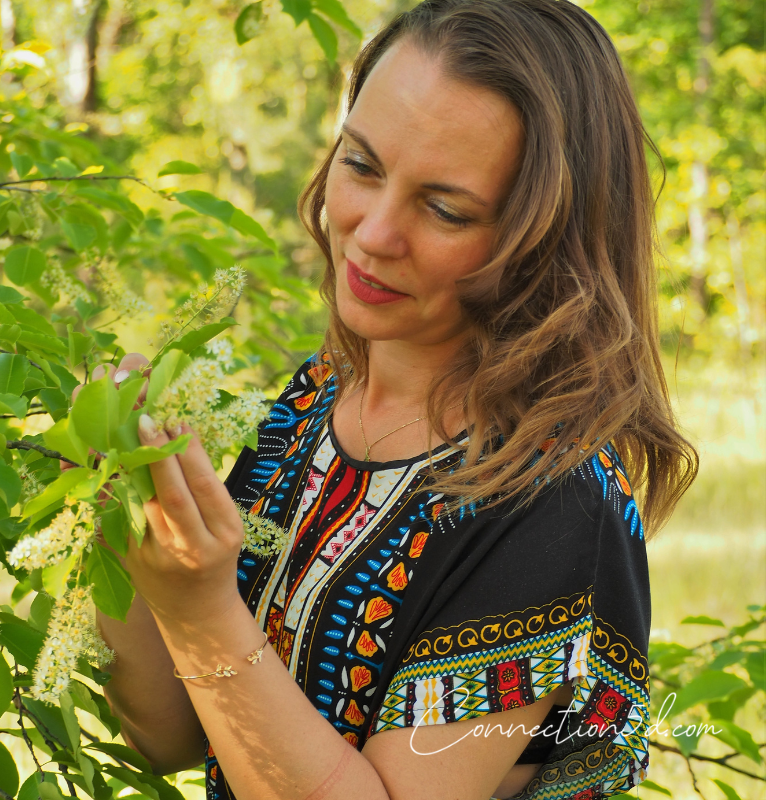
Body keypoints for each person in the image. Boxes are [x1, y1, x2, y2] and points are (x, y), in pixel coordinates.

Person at [91, 1, 698, 798]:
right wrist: (128, 520)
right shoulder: (307, 406)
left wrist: (203, 607)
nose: (373, 233)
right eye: (362, 165)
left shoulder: (554, 505)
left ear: (546, 238)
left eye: (444, 208)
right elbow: (166, 736)